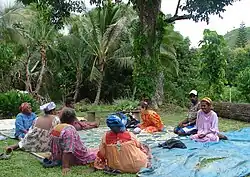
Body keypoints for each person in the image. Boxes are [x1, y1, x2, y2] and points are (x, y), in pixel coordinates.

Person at [49, 108, 97, 175]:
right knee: (98, 153)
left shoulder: (56, 127)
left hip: (57, 157)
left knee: (93, 150)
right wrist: (65, 166)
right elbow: (68, 150)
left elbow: (52, 145)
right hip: (74, 158)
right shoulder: (69, 130)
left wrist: (53, 157)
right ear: (74, 119)